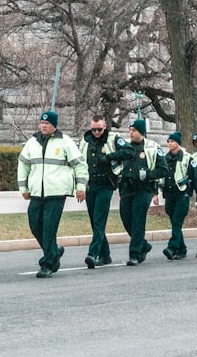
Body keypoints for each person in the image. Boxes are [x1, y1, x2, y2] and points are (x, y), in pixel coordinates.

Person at [17, 110, 87, 278]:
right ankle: (54, 251)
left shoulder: (65, 142)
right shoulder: (32, 142)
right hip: (36, 193)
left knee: (49, 228)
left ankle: (48, 264)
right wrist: (24, 188)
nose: (43, 125)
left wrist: (81, 187)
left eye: (47, 123)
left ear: (54, 125)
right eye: (41, 122)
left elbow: (80, 165)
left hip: (57, 193)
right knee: (35, 225)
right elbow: (23, 165)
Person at [111, 118, 168, 266]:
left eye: (134, 130)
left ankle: (135, 254)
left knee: (138, 221)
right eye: (129, 130)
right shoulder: (126, 148)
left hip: (143, 189)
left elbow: (163, 169)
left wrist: (148, 175)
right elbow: (117, 164)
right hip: (126, 188)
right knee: (126, 218)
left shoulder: (152, 147)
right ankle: (143, 244)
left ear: (141, 132)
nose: (131, 133)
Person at [78, 114, 123, 268]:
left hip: (106, 184)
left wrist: (110, 157)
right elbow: (79, 163)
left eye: (99, 129)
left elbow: (129, 152)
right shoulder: (85, 141)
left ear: (104, 127)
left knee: (99, 220)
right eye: (94, 129)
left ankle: (93, 253)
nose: (97, 132)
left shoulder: (113, 138)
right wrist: (80, 186)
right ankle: (106, 255)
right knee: (94, 220)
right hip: (91, 184)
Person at [160, 132, 197, 261]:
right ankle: (182, 249)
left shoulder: (187, 158)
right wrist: (156, 193)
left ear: (178, 143)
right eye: (168, 141)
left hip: (182, 194)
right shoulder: (165, 158)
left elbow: (196, 178)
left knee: (177, 221)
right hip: (169, 194)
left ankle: (172, 247)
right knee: (174, 222)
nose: (169, 144)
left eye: (172, 141)